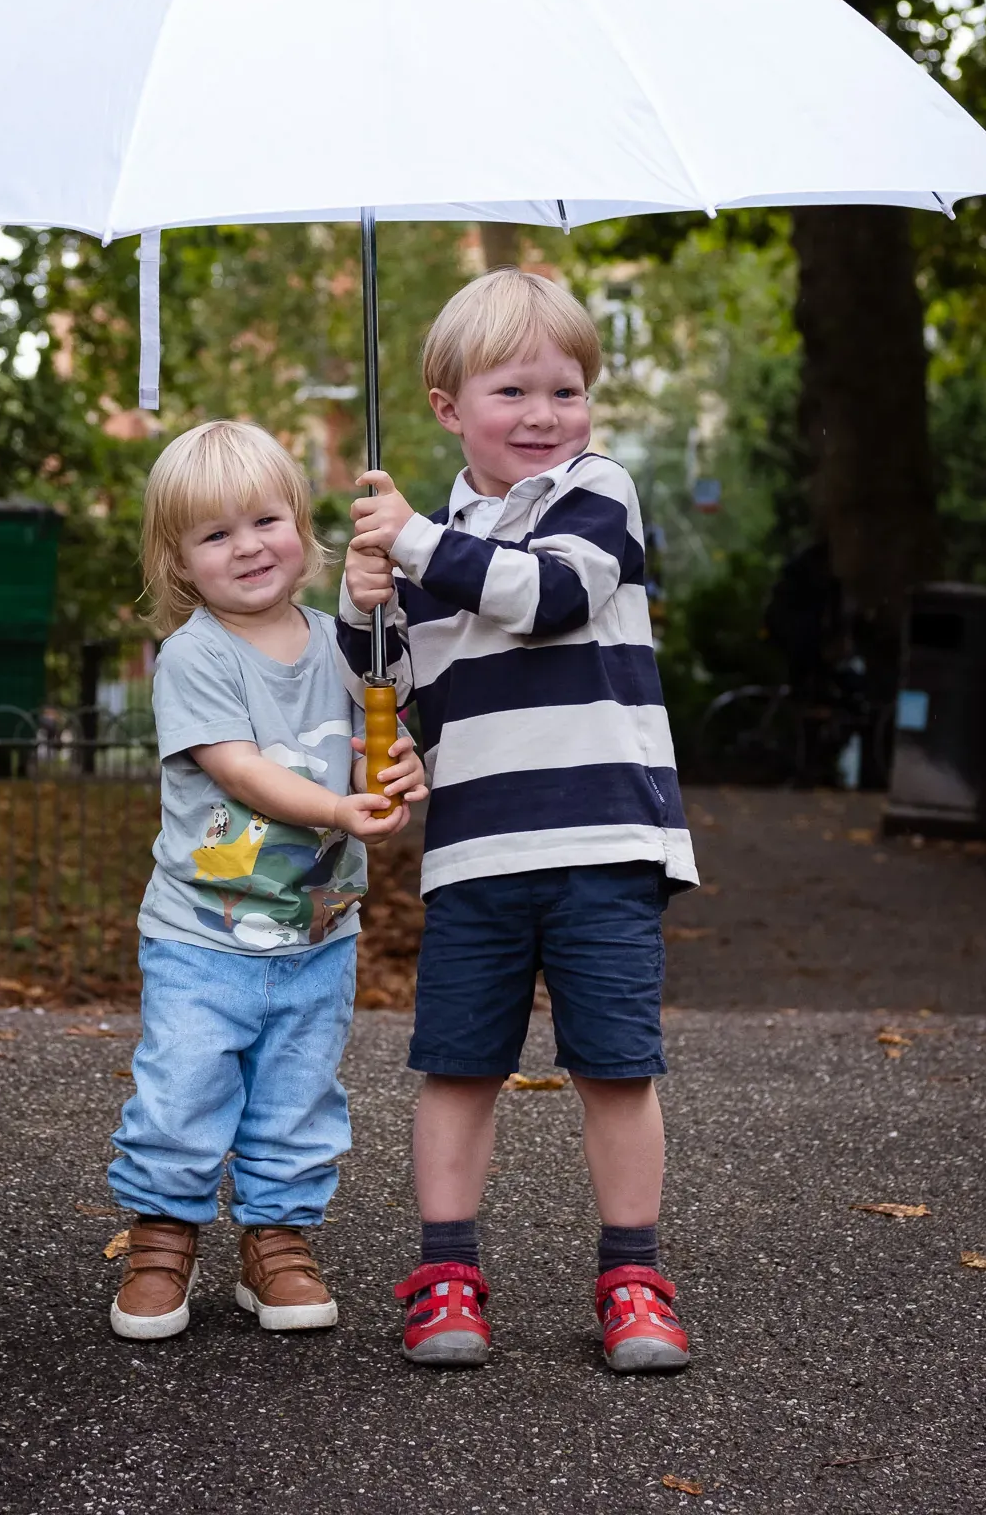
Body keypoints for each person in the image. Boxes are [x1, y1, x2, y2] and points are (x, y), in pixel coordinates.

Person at [338, 269, 698, 1374]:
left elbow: (549, 597)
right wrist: (366, 612)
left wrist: (414, 547)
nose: (545, 415)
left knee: (615, 1066)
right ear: (449, 407)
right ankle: (447, 1269)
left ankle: (632, 1272)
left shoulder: (600, 494)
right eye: (513, 392)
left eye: (568, 389)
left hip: (603, 837)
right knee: (457, 1063)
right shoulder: (430, 540)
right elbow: (415, 694)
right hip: (480, 849)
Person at [108, 419, 426, 1341]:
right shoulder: (195, 655)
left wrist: (399, 765)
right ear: (178, 560)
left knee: (297, 1093)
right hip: (203, 936)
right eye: (214, 535)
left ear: (302, 526)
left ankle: (277, 1242)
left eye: (264, 521)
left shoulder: (345, 645)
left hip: (318, 933)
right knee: (182, 1090)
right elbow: (240, 768)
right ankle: (163, 1237)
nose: (247, 547)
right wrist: (335, 811)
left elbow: (379, 747)